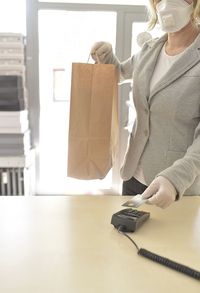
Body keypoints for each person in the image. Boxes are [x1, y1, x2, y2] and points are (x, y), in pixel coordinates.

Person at [90, 0, 200, 208]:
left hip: (174, 187)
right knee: (125, 240)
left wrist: (175, 179)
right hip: (133, 176)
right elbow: (120, 73)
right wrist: (106, 57)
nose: (167, 3)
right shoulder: (150, 50)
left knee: (168, 242)